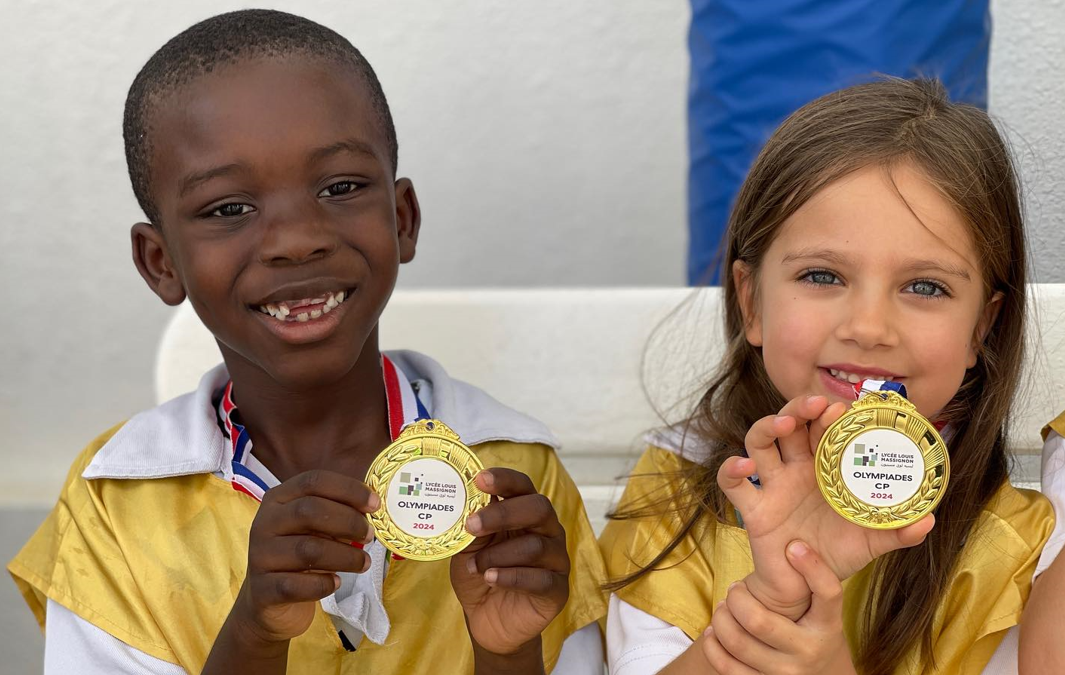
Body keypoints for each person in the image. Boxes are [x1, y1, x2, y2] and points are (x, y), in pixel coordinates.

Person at [7, 10, 606, 674]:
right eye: (228, 208)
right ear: (160, 263)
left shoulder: (510, 479)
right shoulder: (117, 500)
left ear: (402, 219)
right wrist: (255, 634)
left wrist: (508, 649)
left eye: (341, 187)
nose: (298, 239)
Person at [600, 78, 1054, 675]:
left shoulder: (1025, 546)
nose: (869, 327)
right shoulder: (678, 488)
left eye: (925, 287)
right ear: (751, 301)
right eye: (822, 276)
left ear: (981, 330)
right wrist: (773, 604)